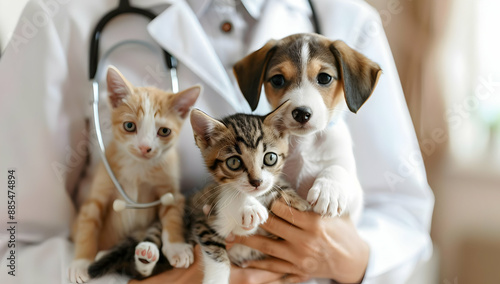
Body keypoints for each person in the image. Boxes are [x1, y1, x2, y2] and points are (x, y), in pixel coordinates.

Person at [0, 0, 434, 283]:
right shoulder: (61, 16)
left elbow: (404, 216)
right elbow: (13, 249)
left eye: (322, 80)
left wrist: (350, 260)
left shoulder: (346, 21)